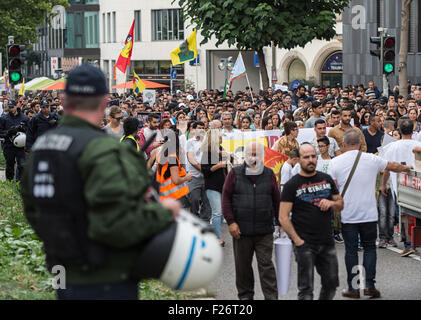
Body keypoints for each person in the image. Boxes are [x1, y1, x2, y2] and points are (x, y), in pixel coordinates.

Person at [20, 64, 180, 300]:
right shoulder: (103, 149)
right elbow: (116, 223)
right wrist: (164, 212)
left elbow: (33, 209)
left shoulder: (42, 147)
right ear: (105, 102)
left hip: (62, 271)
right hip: (106, 278)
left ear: (63, 100)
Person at [328, 129, 412, 299]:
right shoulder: (372, 159)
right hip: (369, 213)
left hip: (347, 214)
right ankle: (369, 285)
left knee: (350, 251)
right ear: (360, 143)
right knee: (369, 248)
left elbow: (329, 186)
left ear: (343, 144)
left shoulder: (335, 162)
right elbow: (392, 166)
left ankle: (353, 288)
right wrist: (406, 167)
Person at [279, 143, 343, 300]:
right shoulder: (292, 185)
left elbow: (340, 204)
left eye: (313, 156)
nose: (311, 160)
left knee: (331, 283)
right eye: (306, 157)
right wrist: (297, 241)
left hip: (326, 241)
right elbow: (283, 217)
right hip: (304, 243)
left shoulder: (326, 179)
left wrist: (332, 204)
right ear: (299, 160)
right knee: (306, 289)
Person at [222, 142, 279, 300]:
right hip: (241, 231)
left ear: (262, 156)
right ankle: (245, 299)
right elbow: (225, 198)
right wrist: (231, 222)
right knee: (243, 269)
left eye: (256, 154)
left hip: (264, 231)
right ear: (244, 156)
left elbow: (276, 200)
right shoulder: (234, 173)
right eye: (250, 154)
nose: (253, 157)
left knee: (266, 267)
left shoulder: (269, 174)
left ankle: (272, 297)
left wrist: (280, 222)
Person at [380, 119, 421, 257]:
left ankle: (408, 245)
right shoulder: (418, 145)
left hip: (400, 186)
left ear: (399, 129)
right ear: (412, 130)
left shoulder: (391, 147)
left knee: (404, 215)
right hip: (417, 184)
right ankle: (415, 242)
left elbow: (387, 167)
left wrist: (383, 184)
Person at [201, 129, 227, 246]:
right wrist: (218, 165)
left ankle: (214, 232)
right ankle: (217, 237)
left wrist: (226, 157)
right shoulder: (207, 152)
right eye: (220, 136)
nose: (222, 138)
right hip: (212, 186)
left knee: (221, 213)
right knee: (217, 212)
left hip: (223, 185)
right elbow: (205, 171)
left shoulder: (221, 149)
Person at [156, 127, 192, 208]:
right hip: (176, 197)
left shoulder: (161, 155)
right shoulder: (172, 157)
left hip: (165, 196)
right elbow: (176, 180)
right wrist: (187, 177)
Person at [186, 121, 211, 221]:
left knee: (207, 201)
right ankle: (194, 219)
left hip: (206, 177)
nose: (201, 130)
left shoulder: (207, 142)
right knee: (194, 199)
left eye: (202, 128)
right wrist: (204, 170)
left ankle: (205, 221)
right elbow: (191, 159)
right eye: (198, 128)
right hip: (194, 177)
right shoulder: (190, 142)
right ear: (194, 129)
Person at [0, 100, 29, 181]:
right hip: (9, 145)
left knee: (22, 165)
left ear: (16, 106)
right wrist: (8, 132)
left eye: (12, 107)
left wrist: (23, 129)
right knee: (9, 165)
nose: (11, 109)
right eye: (9, 107)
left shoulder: (24, 118)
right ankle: (9, 184)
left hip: (21, 146)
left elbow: (29, 131)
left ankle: (20, 183)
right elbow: (0, 132)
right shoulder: (4, 118)